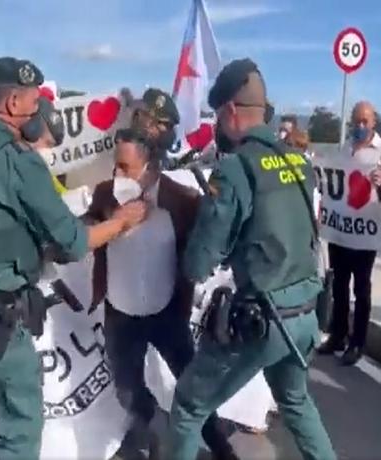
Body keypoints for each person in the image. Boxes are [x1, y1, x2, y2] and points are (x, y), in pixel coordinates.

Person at [0, 57, 147, 460]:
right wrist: (123, 221)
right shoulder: (16, 161)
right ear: (13, 103)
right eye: (34, 100)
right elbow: (74, 243)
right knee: (18, 426)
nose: (40, 109)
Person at [166, 58, 335, 460]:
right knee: (295, 401)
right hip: (307, 313)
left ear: (228, 112)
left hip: (267, 317)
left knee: (189, 408)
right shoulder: (299, 163)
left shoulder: (236, 169)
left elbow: (199, 262)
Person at [84, 128, 235, 459]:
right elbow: (84, 230)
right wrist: (111, 221)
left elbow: (209, 242)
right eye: (115, 166)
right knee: (126, 388)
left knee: (192, 387)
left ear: (151, 167)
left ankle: (221, 446)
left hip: (167, 311)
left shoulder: (181, 200)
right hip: (120, 312)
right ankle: (145, 430)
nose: (117, 174)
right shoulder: (105, 195)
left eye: (125, 167)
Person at [317, 101, 381, 366]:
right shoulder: (344, 148)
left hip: (365, 234)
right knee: (339, 286)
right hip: (340, 231)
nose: (360, 126)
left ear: (373, 123)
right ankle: (338, 335)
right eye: (356, 121)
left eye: (365, 121)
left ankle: (357, 341)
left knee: (362, 289)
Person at [130, 88, 180, 169]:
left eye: (170, 126)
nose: (168, 131)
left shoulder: (155, 146)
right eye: (163, 124)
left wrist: (176, 163)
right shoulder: (125, 151)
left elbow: (160, 163)